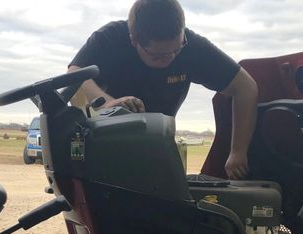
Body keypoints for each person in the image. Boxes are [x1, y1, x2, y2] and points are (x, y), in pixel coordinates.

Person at [68, 0, 258, 180]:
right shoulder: (109, 39)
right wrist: (108, 103)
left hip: (159, 144)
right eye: (159, 55)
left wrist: (238, 152)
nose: (171, 58)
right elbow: (75, 71)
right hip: (109, 146)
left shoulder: (193, 46)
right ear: (134, 40)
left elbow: (246, 87)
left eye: (176, 49)